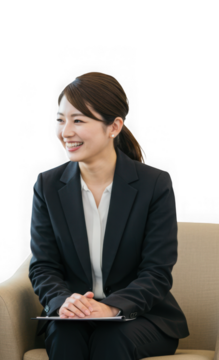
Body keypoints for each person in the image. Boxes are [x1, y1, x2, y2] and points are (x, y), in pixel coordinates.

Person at [30, 71, 189, 359]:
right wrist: (64, 302)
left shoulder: (154, 184)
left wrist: (112, 307)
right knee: (64, 336)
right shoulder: (47, 185)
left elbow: (156, 272)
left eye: (78, 120)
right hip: (73, 316)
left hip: (141, 316)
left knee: (110, 337)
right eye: (60, 119)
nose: (65, 132)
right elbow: (43, 266)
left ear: (114, 126)